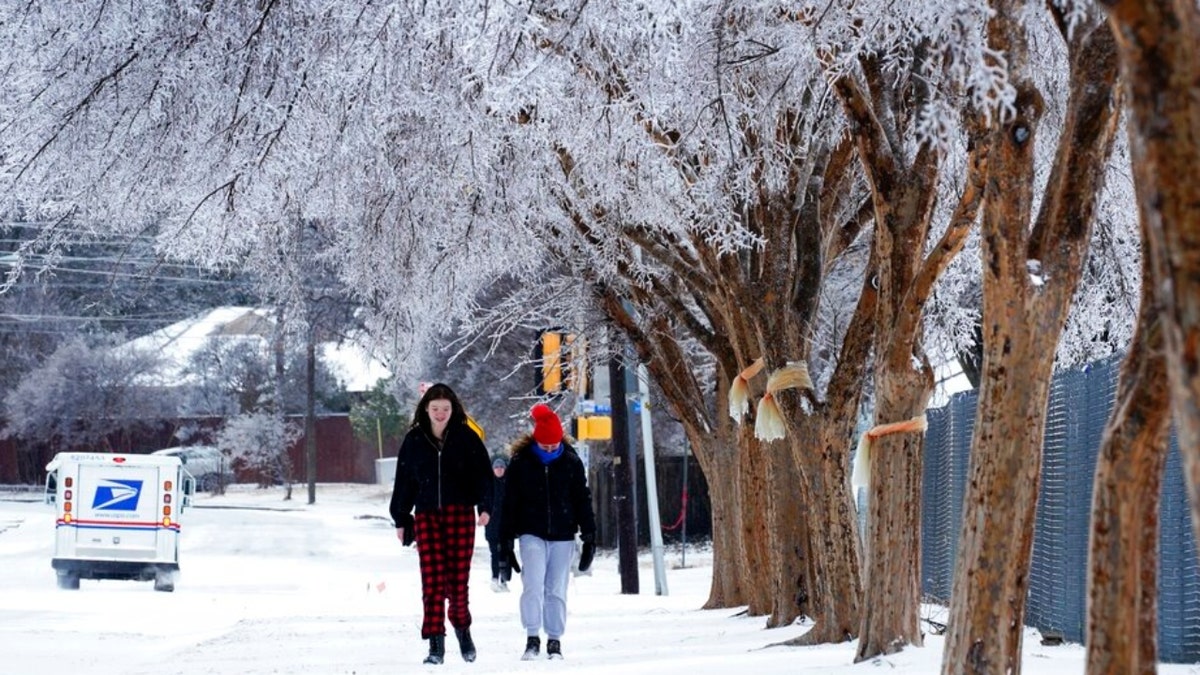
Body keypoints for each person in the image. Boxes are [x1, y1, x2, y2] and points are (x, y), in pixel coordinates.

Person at [389, 382, 493, 665]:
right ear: (425, 408)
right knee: (432, 582)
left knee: (458, 583)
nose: (440, 413)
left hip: (460, 514)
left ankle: (462, 628)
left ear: (453, 409)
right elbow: (404, 481)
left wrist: (485, 506)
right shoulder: (413, 440)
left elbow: (484, 476)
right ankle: (436, 645)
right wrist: (400, 517)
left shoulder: (467, 438)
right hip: (426, 516)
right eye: (435, 408)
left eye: (445, 409)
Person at [500, 403, 597, 661]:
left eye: (555, 446)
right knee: (532, 584)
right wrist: (505, 541)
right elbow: (509, 502)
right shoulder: (521, 463)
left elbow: (582, 499)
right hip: (531, 531)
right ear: (536, 442)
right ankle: (532, 636)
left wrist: (589, 535)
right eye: (546, 447)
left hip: (563, 534)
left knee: (556, 588)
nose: (551, 450)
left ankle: (554, 639)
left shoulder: (571, 462)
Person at [484, 455, 511, 592]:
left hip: (507, 526)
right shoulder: (488, 484)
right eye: (496, 467)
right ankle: (495, 577)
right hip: (492, 526)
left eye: (501, 467)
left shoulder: (509, 484)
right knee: (494, 553)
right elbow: (483, 504)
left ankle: (504, 579)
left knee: (506, 553)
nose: (499, 470)